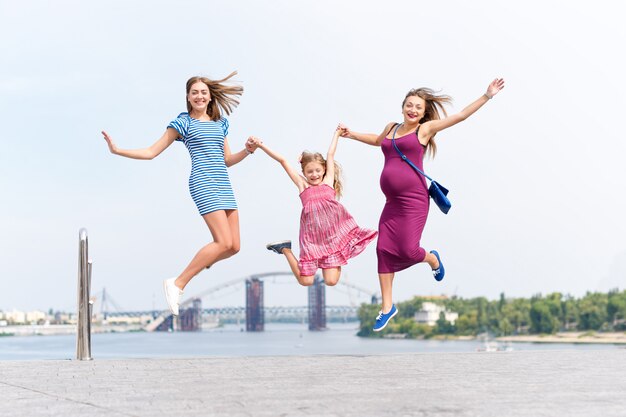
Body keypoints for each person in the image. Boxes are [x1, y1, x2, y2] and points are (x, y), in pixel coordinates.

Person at [339, 78, 505, 331]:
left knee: (407, 249)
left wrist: (487, 95)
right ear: (403, 106)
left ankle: (432, 259)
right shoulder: (392, 127)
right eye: (409, 105)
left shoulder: (424, 131)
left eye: (418, 107)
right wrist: (351, 134)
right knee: (383, 249)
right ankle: (387, 308)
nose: (412, 110)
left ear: (423, 112)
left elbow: (460, 116)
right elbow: (376, 141)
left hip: (414, 201)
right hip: (391, 202)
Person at [101, 72, 258, 315]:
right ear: (187, 96)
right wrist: (118, 150)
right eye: (194, 92)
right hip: (203, 182)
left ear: (209, 96)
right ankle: (178, 283)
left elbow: (227, 159)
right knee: (222, 242)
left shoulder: (220, 122)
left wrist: (247, 151)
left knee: (234, 246)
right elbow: (152, 151)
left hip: (223, 183)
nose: (199, 96)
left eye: (203, 92)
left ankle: (201, 263)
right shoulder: (182, 123)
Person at [251, 128, 377, 287]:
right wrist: (261, 146)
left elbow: (330, 154)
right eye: (309, 171)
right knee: (306, 281)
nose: (314, 174)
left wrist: (336, 134)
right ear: (303, 172)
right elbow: (283, 160)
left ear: (324, 169)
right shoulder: (302, 185)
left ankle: (334, 257)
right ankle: (285, 249)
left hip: (333, 239)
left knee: (331, 281)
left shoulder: (328, 181)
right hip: (312, 241)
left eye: (318, 170)